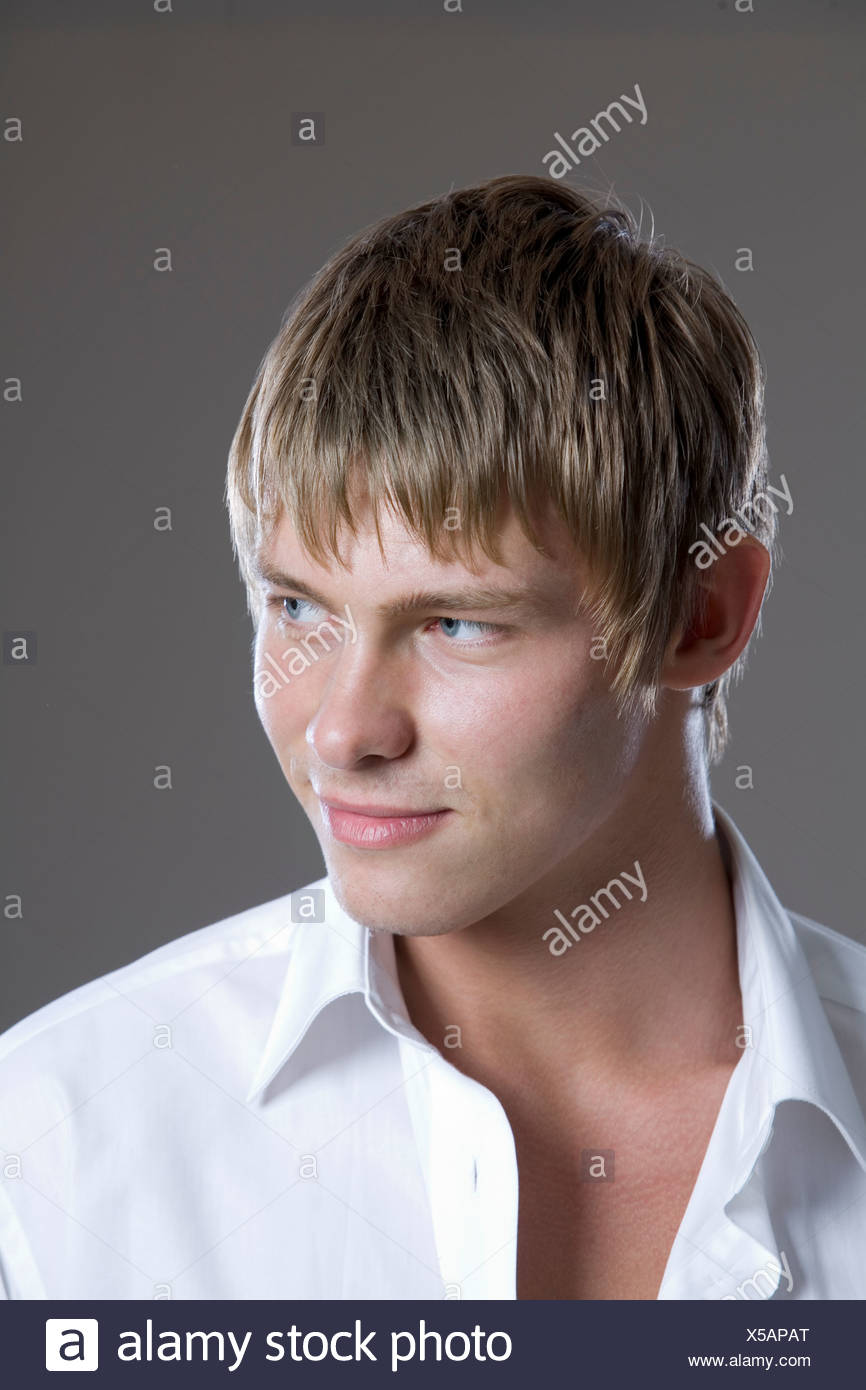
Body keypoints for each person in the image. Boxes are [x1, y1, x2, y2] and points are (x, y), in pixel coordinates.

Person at [2, 175, 864, 1301]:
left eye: (456, 623)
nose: (341, 727)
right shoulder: (52, 1147)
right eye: (298, 607)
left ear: (698, 618)